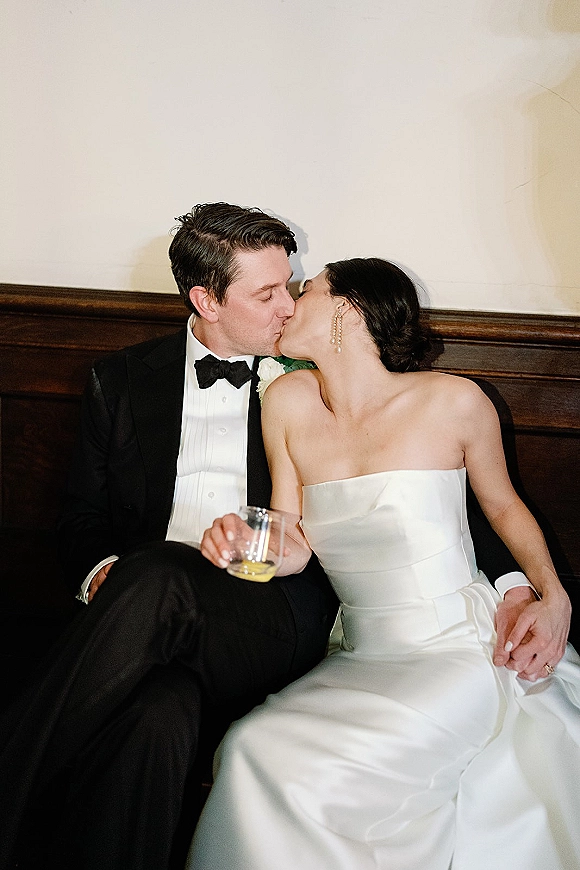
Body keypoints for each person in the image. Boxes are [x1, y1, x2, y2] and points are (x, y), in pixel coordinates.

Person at [189, 257, 580, 870]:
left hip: (457, 649)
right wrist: (244, 549)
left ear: (346, 309)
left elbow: (505, 510)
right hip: (362, 656)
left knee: (334, 771)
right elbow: (291, 539)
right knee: (249, 747)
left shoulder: (452, 401)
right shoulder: (286, 402)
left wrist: (552, 596)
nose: (289, 302)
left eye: (306, 290)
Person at [0, 203, 339, 870]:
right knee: (159, 717)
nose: (288, 309)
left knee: (155, 571)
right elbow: (81, 517)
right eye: (266, 293)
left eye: (292, 286)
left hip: (264, 616)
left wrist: (518, 582)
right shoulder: (121, 378)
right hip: (140, 615)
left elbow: (424, 484)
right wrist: (105, 575)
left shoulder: (314, 383)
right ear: (205, 299)